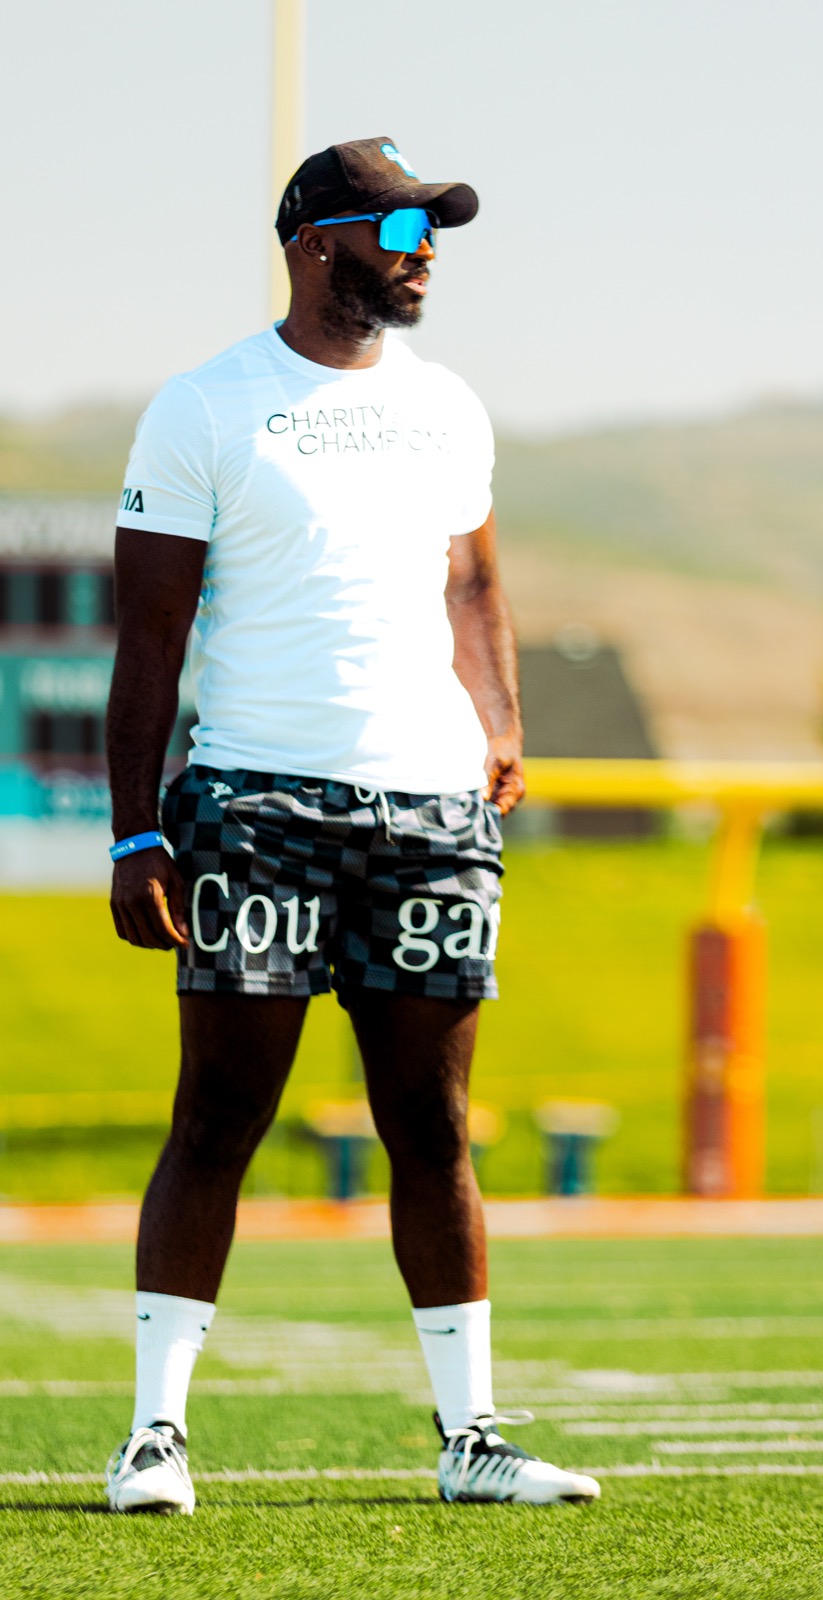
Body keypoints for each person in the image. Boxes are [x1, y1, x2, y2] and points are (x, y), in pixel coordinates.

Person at [103, 136, 600, 1514]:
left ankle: (472, 1437)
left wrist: (498, 722)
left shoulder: (448, 408)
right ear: (317, 238)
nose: (424, 251)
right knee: (220, 1122)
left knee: (433, 1127)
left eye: (433, 232)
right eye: (398, 229)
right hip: (257, 800)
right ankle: (155, 1436)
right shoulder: (204, 408)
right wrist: (135, 833)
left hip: (431, 813)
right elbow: (147, 642)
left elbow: (475, 581)